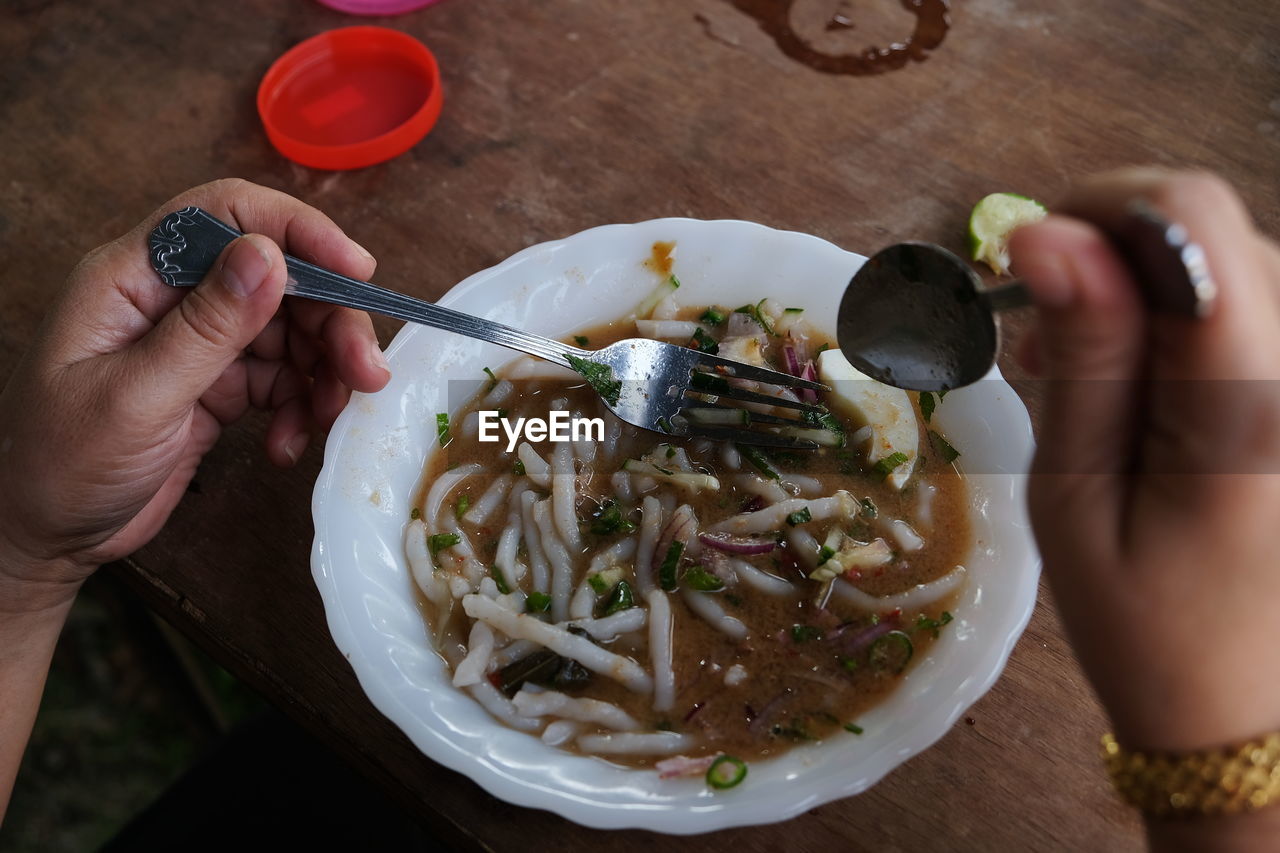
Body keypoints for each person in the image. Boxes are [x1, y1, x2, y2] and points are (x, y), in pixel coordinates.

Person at [0, 171, 1276, 849]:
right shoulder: (522, 428)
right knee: (525, 426)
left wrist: (24, 555)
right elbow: (499, 427)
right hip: (544, 482)